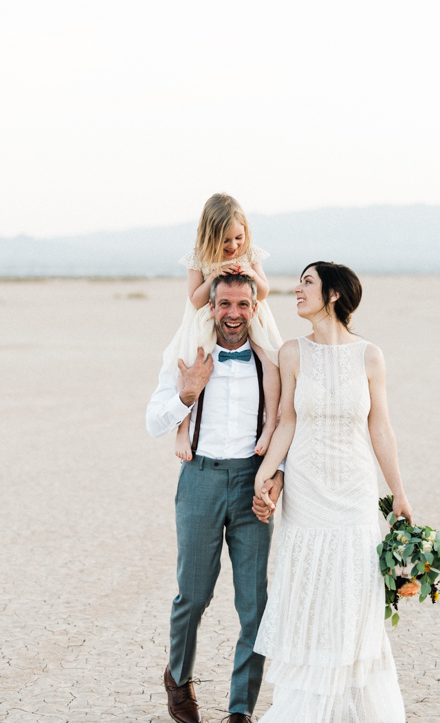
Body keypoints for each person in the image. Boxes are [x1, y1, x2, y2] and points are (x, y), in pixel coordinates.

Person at [252, 261, 411, 723]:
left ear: (334, 295)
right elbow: (287, 420)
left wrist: (398, 492)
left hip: (356, 492)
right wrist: (265, 475)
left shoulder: (370, 356)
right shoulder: (292, 352)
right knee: (312, 594)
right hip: (307, 493)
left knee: (354, 596)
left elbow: (380, 426)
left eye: (307, 283)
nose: (296, 290)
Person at [146, 271, 284, 723]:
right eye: (225, 304)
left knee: (254, 605)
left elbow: (286, 425)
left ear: (255, 309)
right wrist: (188, 393)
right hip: (200, 481)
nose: (233, 314)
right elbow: (153, 423)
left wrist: (275, 478)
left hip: (251, 483)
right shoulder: (186, 360)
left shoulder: (271, 364)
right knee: (193, 595)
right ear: (211, 308)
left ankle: (240, 710)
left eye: (243, 305)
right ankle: (179, 678)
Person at [163, 193, 283, 460]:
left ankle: (269, 425)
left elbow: (263, 292)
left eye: (238, 238)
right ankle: (183, 429)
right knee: (191, 361)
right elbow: (195, 299)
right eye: (225, 240)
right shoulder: (199, 257)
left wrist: (252, 273)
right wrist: (214, 276)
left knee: (271, 361)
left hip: (251, 312)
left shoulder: (249, 252)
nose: (233, 246)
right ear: (210, 237)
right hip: (210, 315)